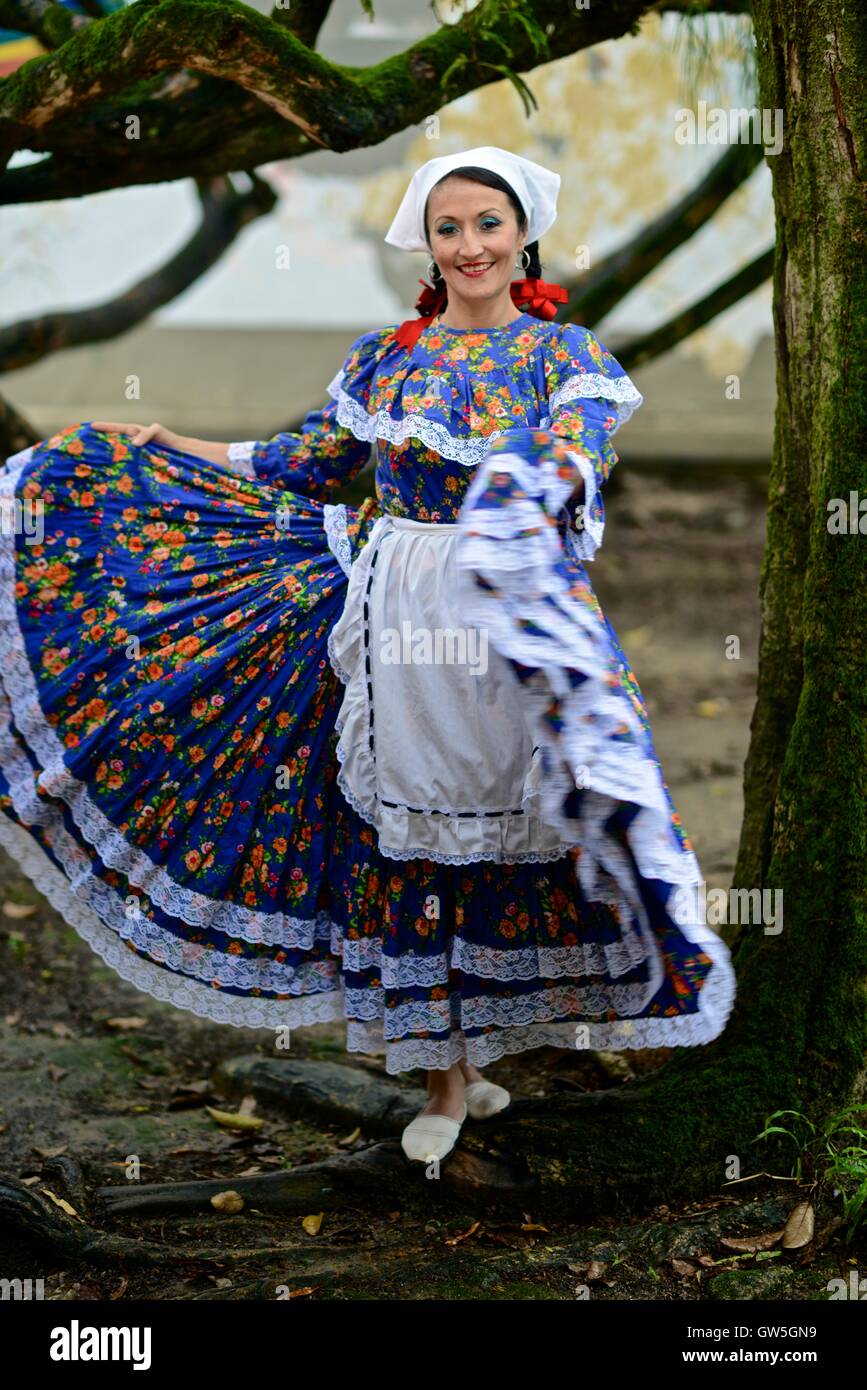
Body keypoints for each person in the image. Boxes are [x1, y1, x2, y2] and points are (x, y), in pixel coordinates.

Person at [0, 146, 735, 1164]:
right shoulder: (388, 356)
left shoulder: (564, 358)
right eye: (449, 227)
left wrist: (549, 482)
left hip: (511, 606)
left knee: (518, 826)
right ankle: (443, 1074)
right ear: (426, 245)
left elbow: (580, 447)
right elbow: (315, 460)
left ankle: (487, 1049)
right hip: (395, 611)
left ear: (522, 233)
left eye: (487, 223)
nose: (469, 244)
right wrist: (178, 446)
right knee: (405, 833)